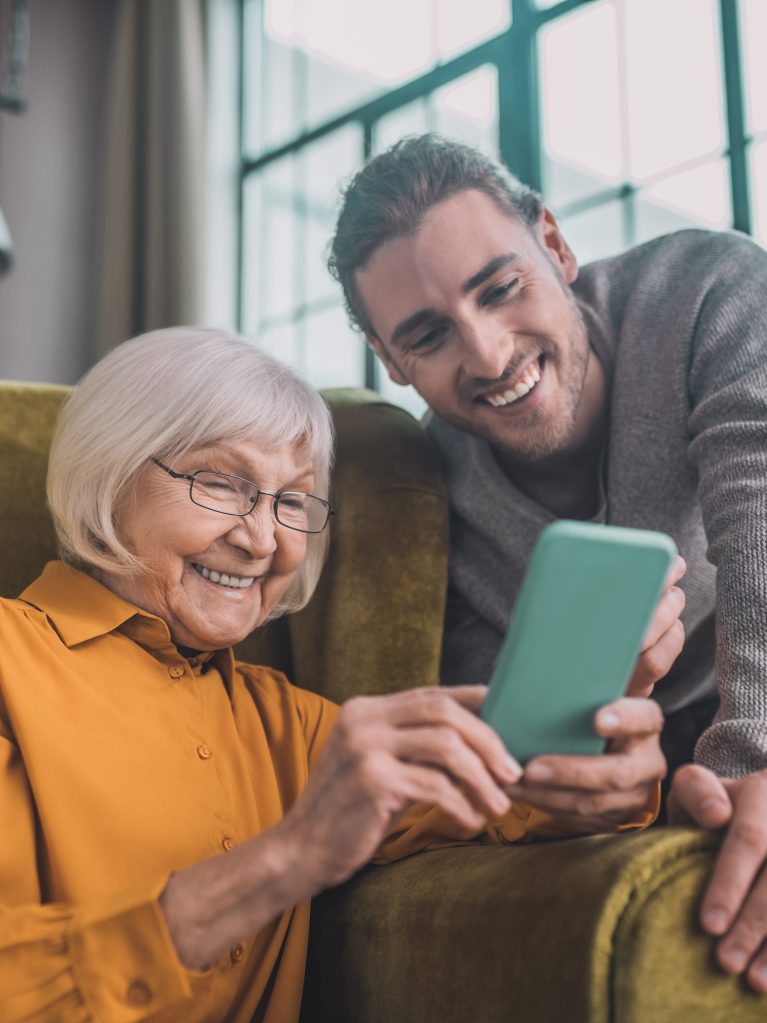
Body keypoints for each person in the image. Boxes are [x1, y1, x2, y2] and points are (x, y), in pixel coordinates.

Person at [0, 327, 664, 1023]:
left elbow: (520, 803)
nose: (261, 540)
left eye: (292, 501)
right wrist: (289, 856)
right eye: (221, 483)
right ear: (107, 471)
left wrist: (608, 741)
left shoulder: (298, 726)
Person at [328, 133, 767, 991]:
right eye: (428, 335)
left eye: (501, 288)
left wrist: (744, 766)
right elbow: (504, 730)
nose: (489, 355)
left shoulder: (707, 287)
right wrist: (588, 787)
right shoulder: (420, 491)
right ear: (392, 362)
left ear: (555, 246)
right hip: (641, 786)